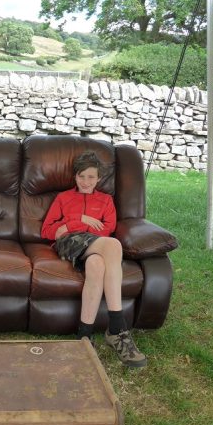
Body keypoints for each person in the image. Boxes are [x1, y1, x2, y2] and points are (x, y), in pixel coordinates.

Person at [41, 151, 147, 368]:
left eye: (91, 177)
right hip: (69, 242)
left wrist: (72, 225)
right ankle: (117, 326)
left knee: (97, 265)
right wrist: (78, 220)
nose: (86, 181)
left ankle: (84, 336)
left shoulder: (106, 200)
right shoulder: (63, 198)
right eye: (81, 176)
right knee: (114, 245)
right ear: (75, 177)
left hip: (95, 247)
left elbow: (108, 228)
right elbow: (48, 231)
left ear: (99, 179)